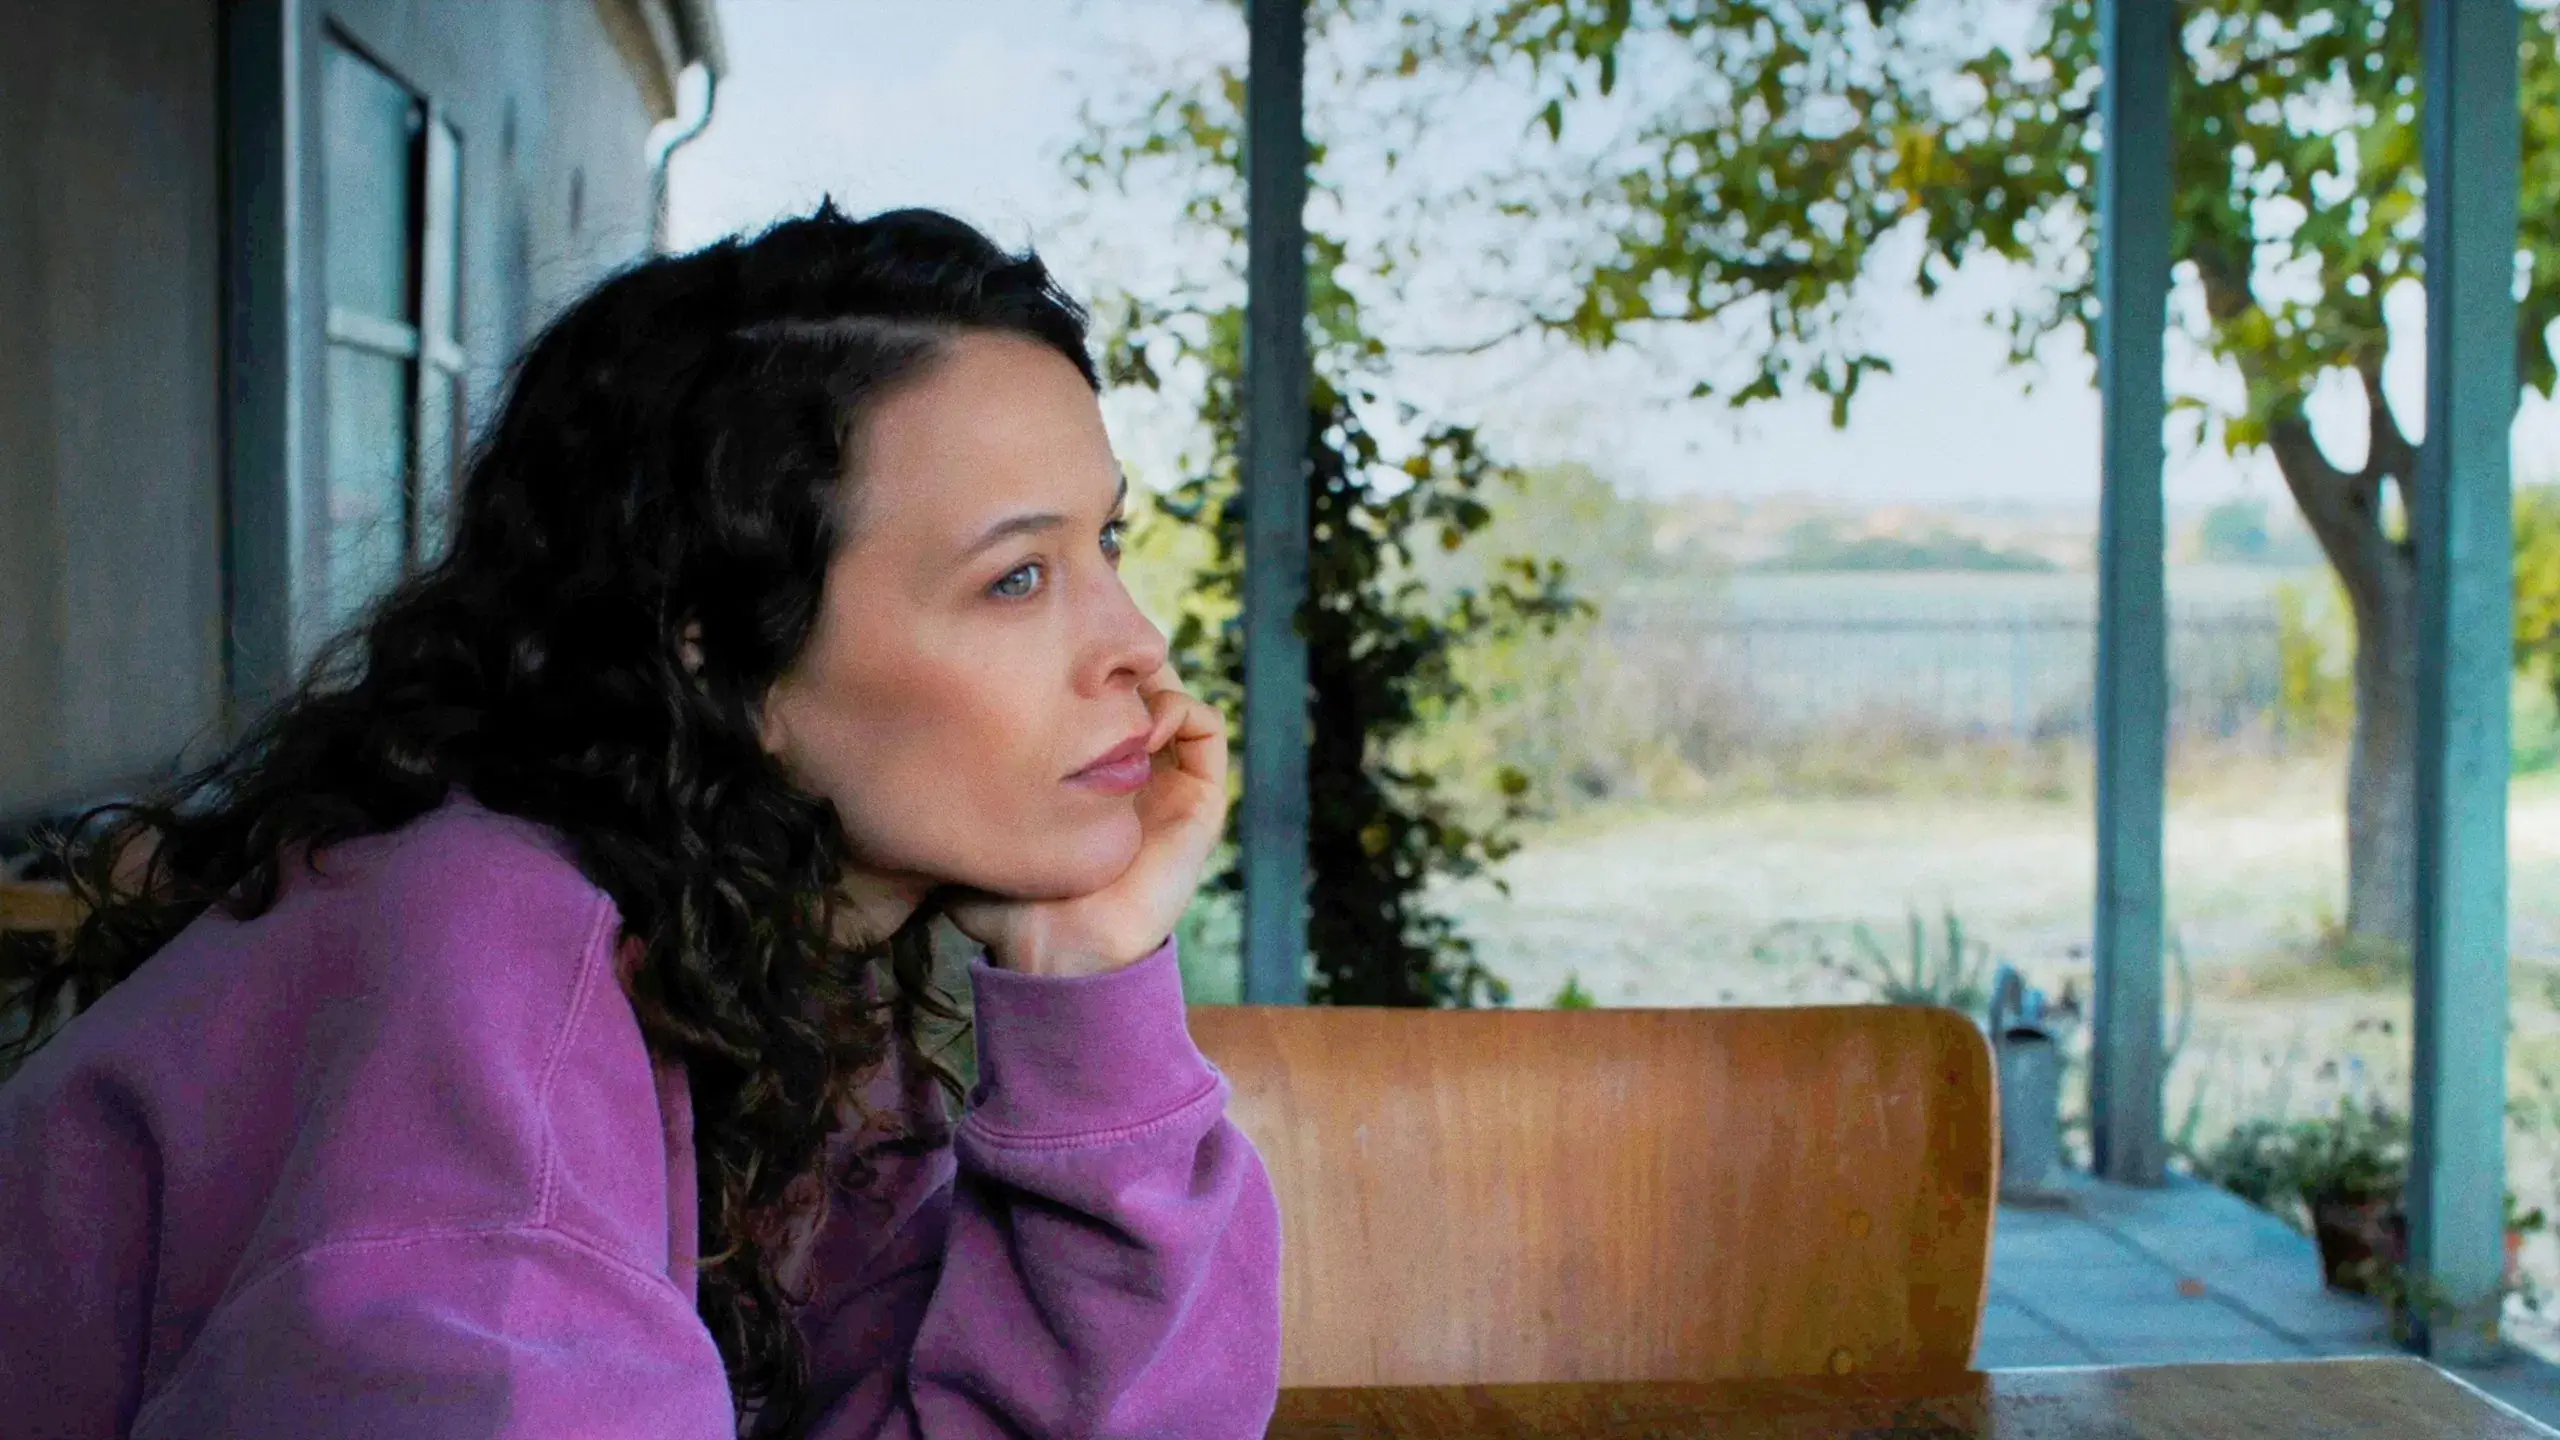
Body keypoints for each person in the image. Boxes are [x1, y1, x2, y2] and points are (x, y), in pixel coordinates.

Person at [0, 203, 1282, 1438]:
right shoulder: (489, 989)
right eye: (1016, 577)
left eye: (1107, 543)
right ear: (724, 654)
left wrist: (1086, 990)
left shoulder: (757, 962)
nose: (1137, 644)